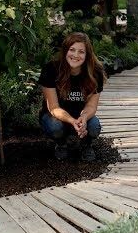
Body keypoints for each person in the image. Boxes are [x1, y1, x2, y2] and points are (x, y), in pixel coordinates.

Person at [38, 32, 107, 161]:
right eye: (72, 50)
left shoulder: (95, 72)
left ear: (87, 55)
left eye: (81, 52)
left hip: (80, 115)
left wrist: (84, 118)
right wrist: (72, 121)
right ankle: (61, 144)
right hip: (55, 116)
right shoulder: (51, 69)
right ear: (65, 51)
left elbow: (91, 105)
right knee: (55, 127)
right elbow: (53, 107)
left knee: (94, 126)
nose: (76, 55)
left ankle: (86, 145)